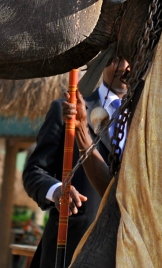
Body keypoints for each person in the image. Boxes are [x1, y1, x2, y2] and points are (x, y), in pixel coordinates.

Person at [23, 56, 129, 267]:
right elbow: (34, 172)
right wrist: (56, 190)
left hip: (124, 252)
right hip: (69, 247)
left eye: (131, 59)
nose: (125, 67)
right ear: (102, 61)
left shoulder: (146, 119)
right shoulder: (67, 108)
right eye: (117, 58)